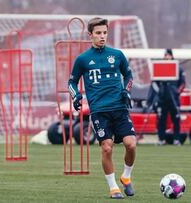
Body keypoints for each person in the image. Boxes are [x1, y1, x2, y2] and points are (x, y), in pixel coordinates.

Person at [68, 17, 136, 199]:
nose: (102, 36)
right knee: (107, 147)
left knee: (131, 144)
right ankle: (114, 187)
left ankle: (126, 177)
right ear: (90, 35)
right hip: (99, 110)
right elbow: (72, 82)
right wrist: (76, 96)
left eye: (105, 32)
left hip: (119, 108)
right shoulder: (82, 59)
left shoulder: (117, 55)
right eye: (98, 33)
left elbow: (129, 75)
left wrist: (127, 91)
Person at [146, 49, 185, 146]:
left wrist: (176, 92)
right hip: (162, 99)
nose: (167, 57)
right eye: (165, 55)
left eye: (168, 55)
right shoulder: (159, 67)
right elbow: (154, 83)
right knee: (161, 120)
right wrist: (159, 92)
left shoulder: (178, 69)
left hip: (173, 99)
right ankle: (161, 139)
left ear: (172, 56)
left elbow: (183, 83)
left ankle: (176, 139)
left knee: (176, 119)